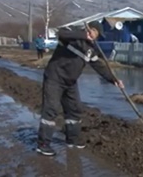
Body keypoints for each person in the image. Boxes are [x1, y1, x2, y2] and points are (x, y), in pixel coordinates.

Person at [36, 21, 125, 156]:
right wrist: (84, 35)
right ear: (91, 30)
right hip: (55, 78)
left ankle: (72, 140)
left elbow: (99, 67)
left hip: (70, 82)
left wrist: (113, 80)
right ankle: (43, 145)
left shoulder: (91, 49)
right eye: (97, 34)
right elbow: (61, 34)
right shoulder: (73, 37)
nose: (97, 37)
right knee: (51, 110)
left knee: (74, 109)